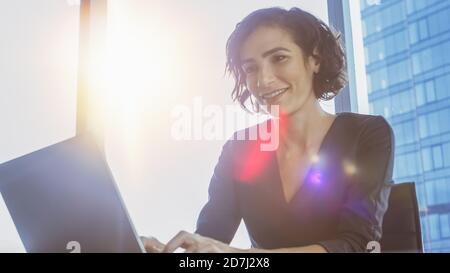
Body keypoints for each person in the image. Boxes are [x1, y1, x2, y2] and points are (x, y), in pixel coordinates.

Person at [142, 6, 394, 253]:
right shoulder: (239, 149)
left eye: (279, 58)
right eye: (251, 68)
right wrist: (165, 251)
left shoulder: (367, 133)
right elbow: (210, 241)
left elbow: (356, 246)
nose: (263, 80)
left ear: (314, 59)